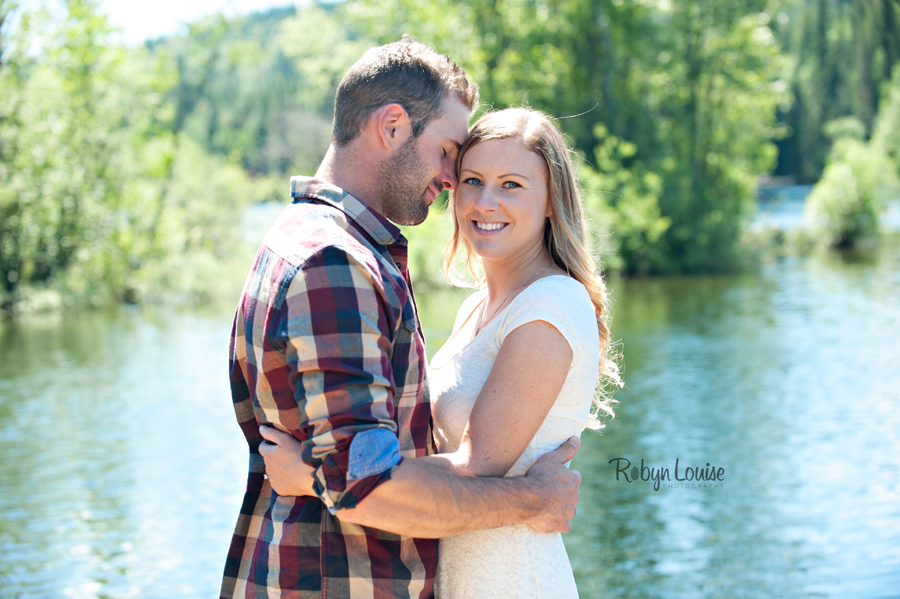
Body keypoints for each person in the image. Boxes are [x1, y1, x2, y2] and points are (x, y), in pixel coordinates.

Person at [220, 37, 583, 599]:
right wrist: (535, 498)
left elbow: (366, 468)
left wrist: (318, 474)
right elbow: (367, 486)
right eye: (448, 154)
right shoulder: (335, 262)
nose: (450, 178)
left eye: (509, 184)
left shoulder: (308, 242)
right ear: (392, 127)